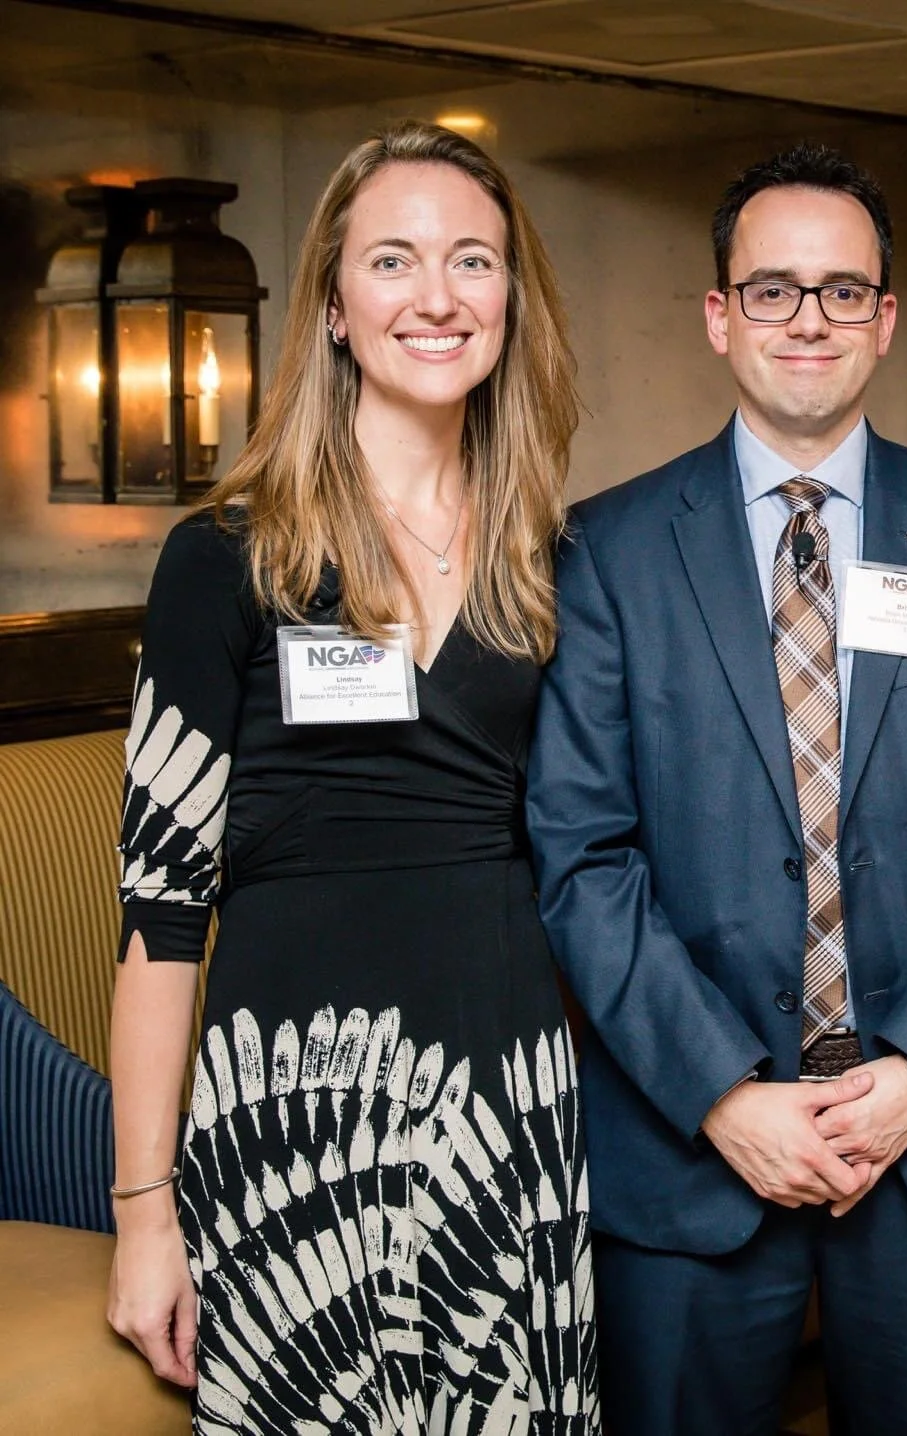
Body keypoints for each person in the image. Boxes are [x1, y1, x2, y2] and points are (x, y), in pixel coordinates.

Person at [525, 142, 907, 1436]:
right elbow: (581, 852)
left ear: (884, 319)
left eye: (843, 291)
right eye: (772, 289)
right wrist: (722, 1091)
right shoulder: (605, 550)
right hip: (694, 1142)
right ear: (719, 316)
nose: (808, 319)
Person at [105, 121, 598, 1431]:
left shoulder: (558, 564)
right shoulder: (224, 559)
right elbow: (160, 913)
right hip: (297, 1131)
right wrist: (145, 1211)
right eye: (393, 260)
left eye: (472, 260)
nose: (436, 296)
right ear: (332, 304)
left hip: (504, 1111)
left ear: (511, 299)